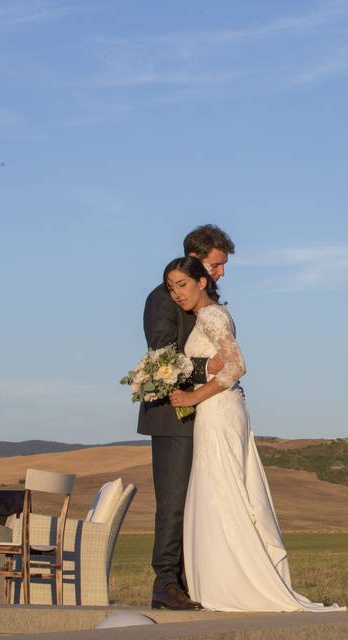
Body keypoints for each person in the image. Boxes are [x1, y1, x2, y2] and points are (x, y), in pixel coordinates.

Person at [165, 257, 340, 612]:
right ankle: (222, 580)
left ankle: (237, 582)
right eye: (171, 288)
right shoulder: (206, 316)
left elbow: (237, 364)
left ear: (201, 281)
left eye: (182, 284)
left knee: (224, 489)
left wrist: (192, 396)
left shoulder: (212, 316)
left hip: (219, 410)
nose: (176, 294)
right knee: (220, 489)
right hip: (216, 412)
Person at [137, 225, 235, 611]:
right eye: (217, 264)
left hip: (208, 414)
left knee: (203, 500)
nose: (222, 272)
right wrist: (206, 369)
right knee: (174, 500)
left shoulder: (208, 301)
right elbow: (161, 356)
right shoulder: (161, 300)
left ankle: (197, 578)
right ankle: (165, 582)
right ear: (196, 260)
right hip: (172, 416)